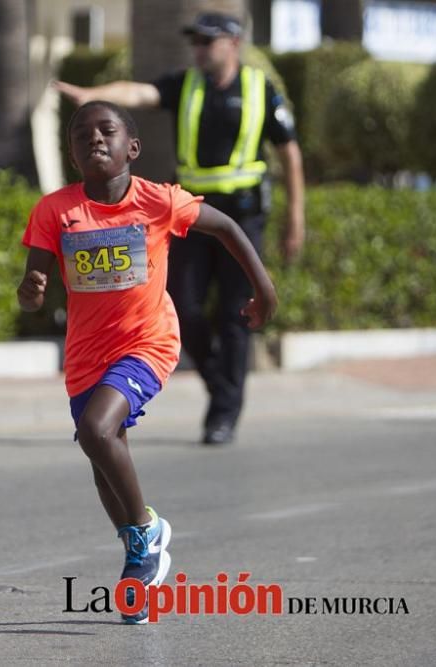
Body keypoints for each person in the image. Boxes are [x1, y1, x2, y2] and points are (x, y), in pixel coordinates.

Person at [17, 100, 276, 623]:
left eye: (107, 131)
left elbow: (226, 226)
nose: (94, 139)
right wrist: (32, 290)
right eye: (81, 134)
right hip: (86, 354)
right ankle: (142, 556)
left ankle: (146, 532)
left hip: (148, 342)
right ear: (71, 154)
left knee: (96, 429)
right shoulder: (55, 210)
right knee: (101, 467)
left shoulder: (158, 201)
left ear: (131, 147)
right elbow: (33, 288)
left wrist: (263, 289)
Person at [53, 12, 304, 445]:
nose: (201, 49)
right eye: (197, 42)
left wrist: (295, 216)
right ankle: (220, 386)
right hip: (187, 217)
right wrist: (94, 94)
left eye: (209, 41)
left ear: (234, 43)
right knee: (185, 308)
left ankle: (223, 414)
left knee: (232, 316)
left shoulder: (261, 90)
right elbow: (138, 91)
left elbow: (290, 153)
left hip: (240, 215)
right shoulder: (185, 85)